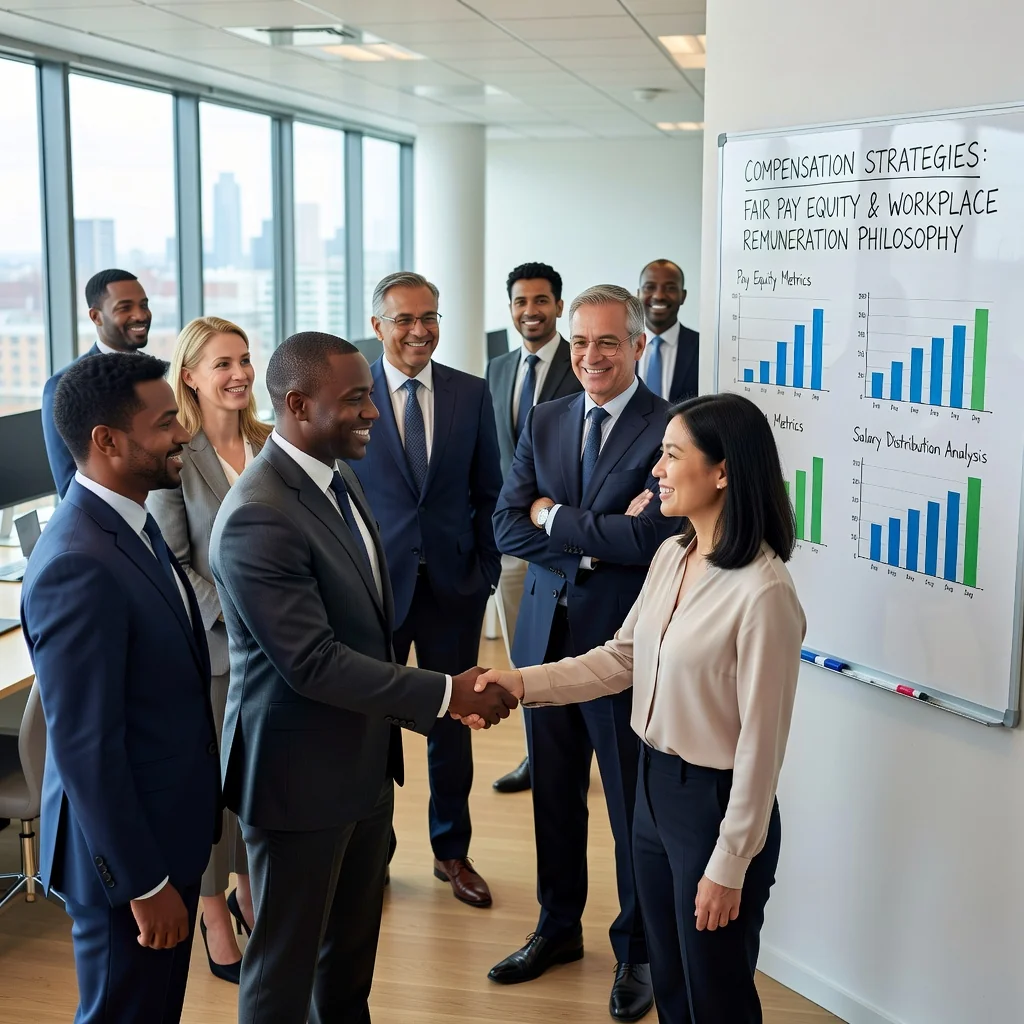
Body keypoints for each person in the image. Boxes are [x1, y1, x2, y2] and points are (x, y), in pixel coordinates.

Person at [208, 331, 517, 1024]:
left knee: (347, 971)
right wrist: (444, 694)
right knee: (283, 976)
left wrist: (433, 701)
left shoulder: (340, 477)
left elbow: (366, 630)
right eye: (355, 399)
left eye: (369, 396)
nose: (374, 411)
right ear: (296, 404)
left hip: (363, 772)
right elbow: (312, 661)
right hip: (297, 785)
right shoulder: (259, 515)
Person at [472, 392, 806, 1024]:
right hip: (652, 790)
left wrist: (730, 863)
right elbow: (620, 659)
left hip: (712, 805)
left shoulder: (764, 593)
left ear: (723, 471)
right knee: (674, 987)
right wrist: (519, 684)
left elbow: (762, 749)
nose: (655, 469)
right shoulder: (672, 554)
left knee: (718, 995)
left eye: (671, 455)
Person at [489, 284, 681, 1022]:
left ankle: (637, 948)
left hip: (624, 647)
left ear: (637, 345)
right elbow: (508, 525)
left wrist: (558, 517)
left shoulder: (670, 427)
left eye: (606, 342)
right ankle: (557, 927)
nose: (590, 356)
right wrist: (593, 542)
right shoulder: (547, 417)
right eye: (580, 343)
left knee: (631, 804)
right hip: (547, 640)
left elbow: (651, 538)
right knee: (554, 795)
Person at [20, 353, 221, 1024]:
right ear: (107, 441)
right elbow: (84, 748)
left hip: (168, 832)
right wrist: (143, 882)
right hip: (129, 864)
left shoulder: (131, 523)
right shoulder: (78, 560)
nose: (184, 434)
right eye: (166, 422)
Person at [348, 272, 502, 908]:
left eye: (430, 317)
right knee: (370, 726)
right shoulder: (351, 397)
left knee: (453, 720)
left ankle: (451, 851)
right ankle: (372, 852)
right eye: (405, 320)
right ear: (378, 326)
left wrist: (485, 573)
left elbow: (490, 492)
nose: (420, 331)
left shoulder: (470, 393)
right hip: (374, 589)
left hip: (452, 587)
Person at [148, 316, 271, 982]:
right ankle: (211, 908)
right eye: (222, 363)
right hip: (218, 651)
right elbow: (170, 560)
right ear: (190, 376)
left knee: (258, 776)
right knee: (213, 790)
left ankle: (249, 888)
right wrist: (240, 617)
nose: (239, 374)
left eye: (245, 360)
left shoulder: (269, 442)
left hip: (278, 649)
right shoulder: (177, 457)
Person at [486, 262, 582, 795]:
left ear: (558, 306)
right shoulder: (498, 367)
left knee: (574, 652)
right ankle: (536, 753)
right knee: (528, 655)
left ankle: (574, 750)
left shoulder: (581, 362)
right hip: (513, 541)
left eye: (541, 301)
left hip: (567, 538)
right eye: (521, 302)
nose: (531, 311)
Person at [41, 269, 152, 498]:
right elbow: (70, 487)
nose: (140, 315)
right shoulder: (64, 386)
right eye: (125, 308)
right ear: (96, 316)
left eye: (143, 305)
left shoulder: (161, 373)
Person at [636, 260, 699, 403]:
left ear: (683, 296)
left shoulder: (703, 348)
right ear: (638, 294)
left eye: (670, 288)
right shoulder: (622, 345)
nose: (659, 296)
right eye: (650, 287)